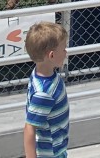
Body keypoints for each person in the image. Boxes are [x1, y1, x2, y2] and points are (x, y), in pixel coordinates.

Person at [22, 20, 69, 158]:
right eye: (63, 49)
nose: (66, 52)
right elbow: (29, 128)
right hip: (49, 153)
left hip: (56, 147)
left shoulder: (41, 73)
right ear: (52, 56)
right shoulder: (43, 93)